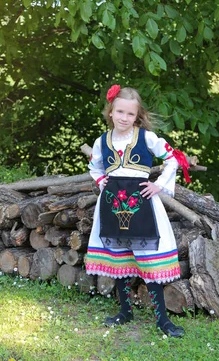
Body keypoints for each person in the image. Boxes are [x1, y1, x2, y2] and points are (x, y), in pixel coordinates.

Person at [84, 84, 191, 338]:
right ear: (111, 111)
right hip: (112, 205)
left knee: (148, 260)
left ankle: (163, 320)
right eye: (120, 112)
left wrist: (159, 185)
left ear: (137, 116)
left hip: (143, 205)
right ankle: (125, 311)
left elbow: (174, 158)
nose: (124, 118)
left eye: (130, 114)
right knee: (119, 257)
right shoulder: (102, 141)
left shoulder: (146, 138)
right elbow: (95, 166)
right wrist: (101, 182)